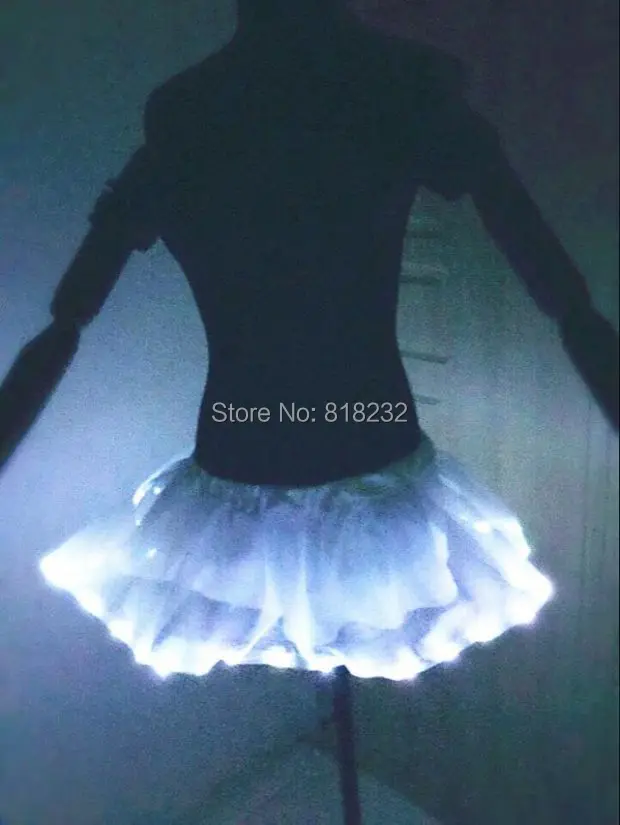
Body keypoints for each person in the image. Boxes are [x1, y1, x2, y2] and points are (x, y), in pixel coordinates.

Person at [1, 0, 618, 688]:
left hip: (258, 448)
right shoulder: (393, 93)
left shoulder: (192, 120)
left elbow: (67, 320)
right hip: (353, 444)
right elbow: (564, 296)